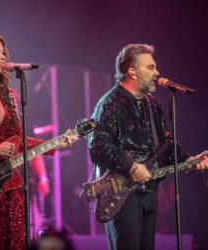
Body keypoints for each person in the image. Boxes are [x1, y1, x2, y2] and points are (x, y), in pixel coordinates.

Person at [0, 33, 78, 250]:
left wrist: (52, 145)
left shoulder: (9, 96)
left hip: (6, 184)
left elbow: (18, 139)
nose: (3, 57)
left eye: (4, 52)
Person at [88, 44, 208, 250]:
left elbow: (165, 143)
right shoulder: (109, 104)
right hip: (122, 194)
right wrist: (131, 166)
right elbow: (97, 147)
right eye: (151, 68)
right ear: (131, 71)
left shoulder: (152, 103)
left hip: (149, 190)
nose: (157, 73)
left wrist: (188, 159)